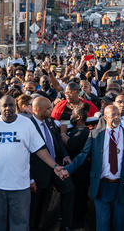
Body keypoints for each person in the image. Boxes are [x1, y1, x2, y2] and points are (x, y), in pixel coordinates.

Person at [0, 95, 69, 231]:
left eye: (11, 105)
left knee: (20, 224)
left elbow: (40, 149)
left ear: (16, 107)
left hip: (20, 186)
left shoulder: (26, 124)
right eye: (4, 105)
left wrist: (55, 166)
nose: (8, 108)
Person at [65, 104, 124, 231]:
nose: (116, 118)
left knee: (120, 225)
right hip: (102, 186)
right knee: (102, 225)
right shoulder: (95, 135)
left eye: (118, 115)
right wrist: (67, 170)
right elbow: (83, 155)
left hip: (122, 186)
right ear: (105, 117)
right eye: (112, 115)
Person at [28, 96, 75, 231]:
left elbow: (57, 141)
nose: (51, 110)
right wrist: (30, 177)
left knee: (69, 189)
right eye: (48, 108)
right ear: (37, 109)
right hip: (38, 171)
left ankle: (66, 225)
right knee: (37, 203)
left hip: (56, 167)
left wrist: (65, 155)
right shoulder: (28, 125)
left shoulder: (49, 121)